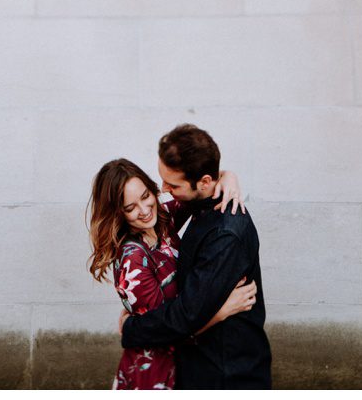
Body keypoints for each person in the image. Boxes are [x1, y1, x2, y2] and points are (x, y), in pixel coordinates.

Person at [119, 124, 272, 389]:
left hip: (226, 374)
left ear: (203, 182)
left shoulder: (224, 236)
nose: (164, 190)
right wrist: (227, 175)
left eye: (173, 184)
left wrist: (133, 329)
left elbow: (187, 315)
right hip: (202, 364)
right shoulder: (199, 204)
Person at [88, 158, 257, 390]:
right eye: (130, 208)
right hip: (155, 371)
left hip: (188, 362)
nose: (145, 210)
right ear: (118, 213)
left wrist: (229, 177)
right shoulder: (132, 261)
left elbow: (197, 188)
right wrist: (222, 310)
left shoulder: (162, 220)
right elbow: (166, 329)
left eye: (146, 196)